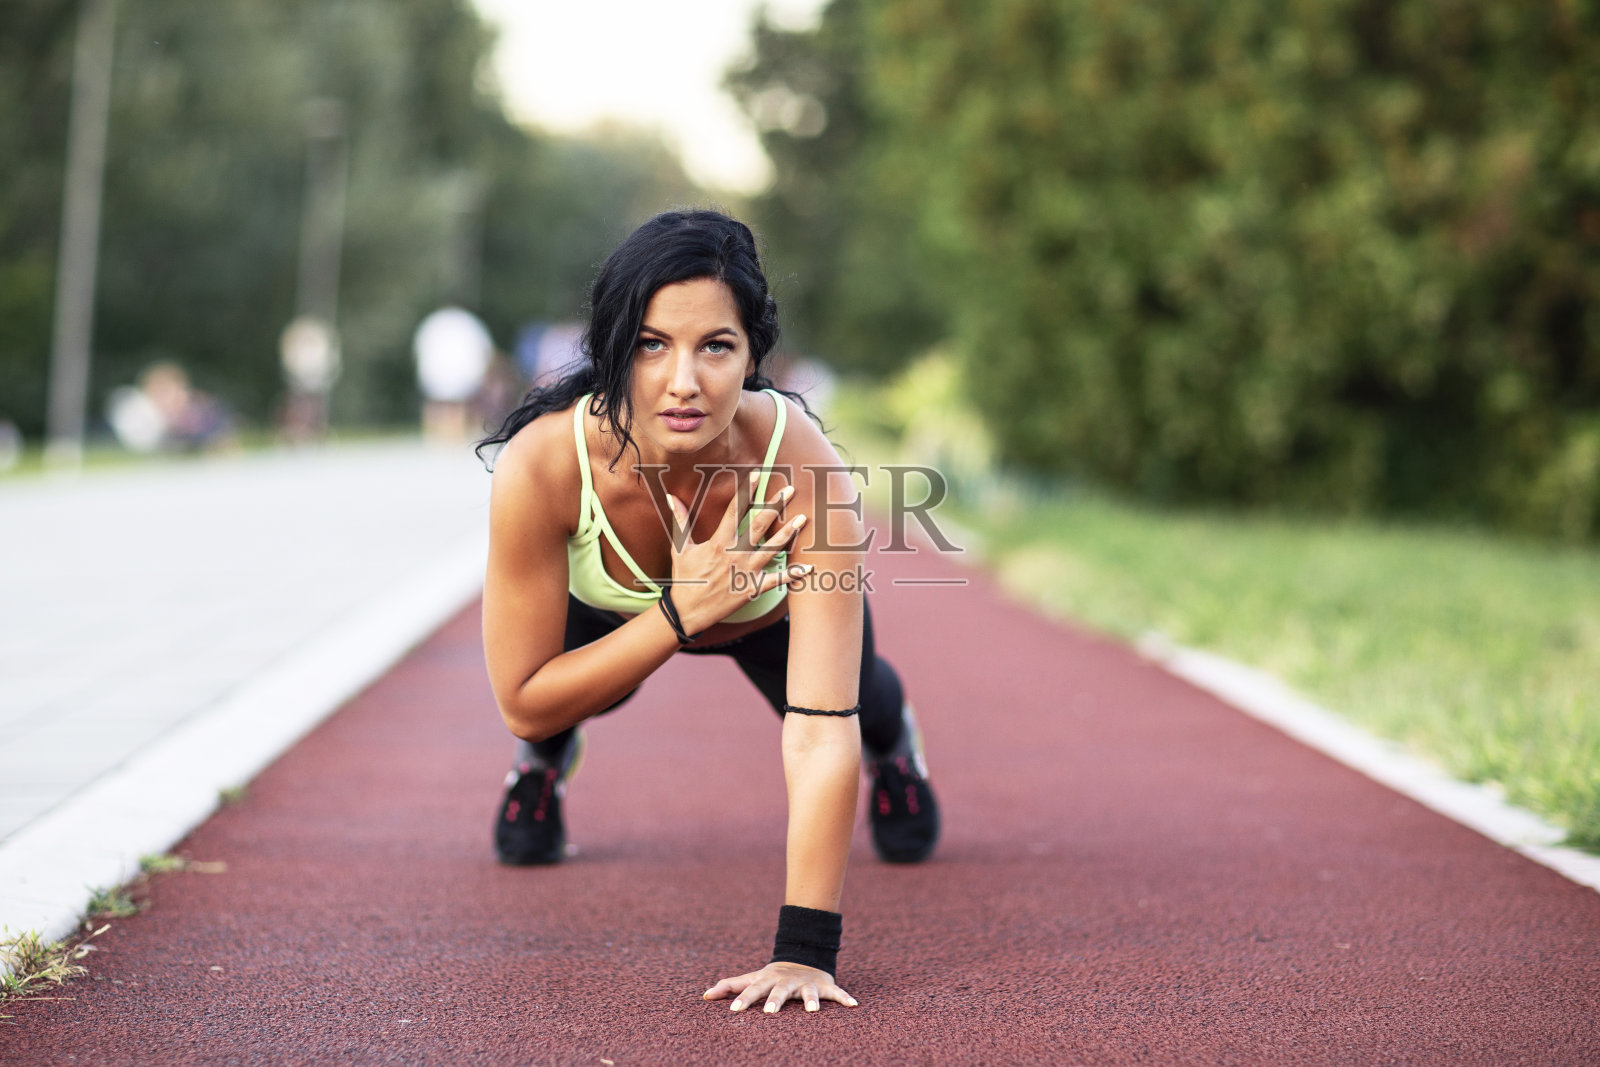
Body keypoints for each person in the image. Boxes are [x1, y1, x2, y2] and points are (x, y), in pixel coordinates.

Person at [476, 209, 939, 1015]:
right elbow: (519, 693)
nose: (683, 381)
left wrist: (804, 953)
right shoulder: (546, 462)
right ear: (613, 348)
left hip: (765, 618)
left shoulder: (805, 468)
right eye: (653, 343)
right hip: (621, 612)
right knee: (555, 708)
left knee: (864, 702)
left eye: (715, 346)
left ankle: (898, 754)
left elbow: (819, 726)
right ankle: (543, 770)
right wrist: (680, 612)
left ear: (754, 354)